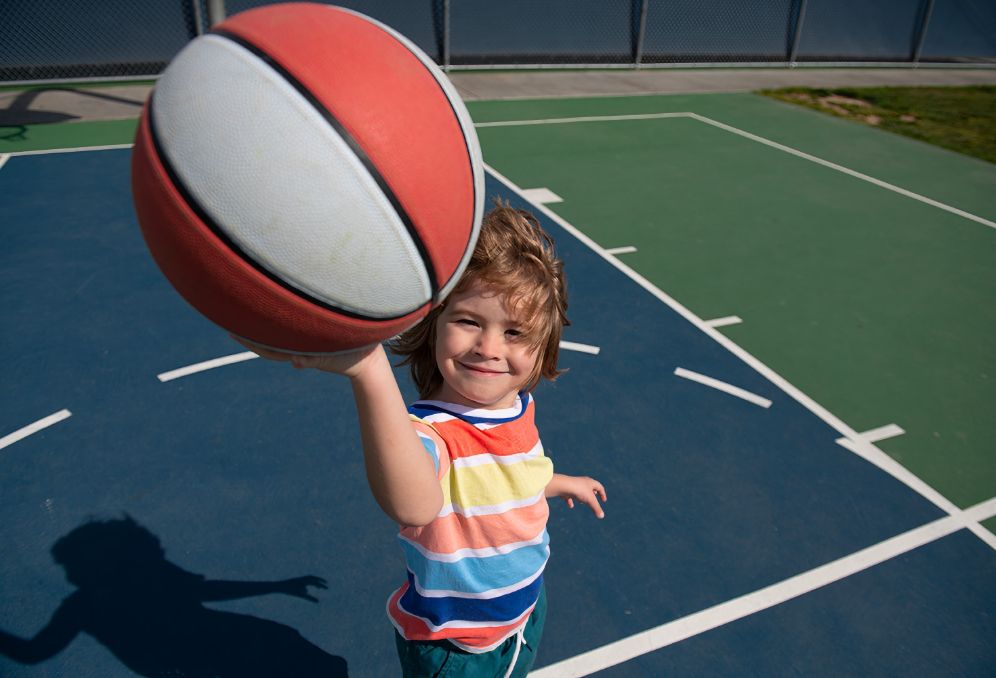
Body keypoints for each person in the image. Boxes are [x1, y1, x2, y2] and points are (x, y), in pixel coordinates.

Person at [238, 201, 606, 677]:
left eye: (515, 332)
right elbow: (414, 504)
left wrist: (557, 480)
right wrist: (369, 371)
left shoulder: (515, 406)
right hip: (457, 647)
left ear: (542, 352)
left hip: (524, 611)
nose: (489, 347)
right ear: (435, 324)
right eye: (469, 321)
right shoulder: (430, 436)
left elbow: (509, 472)